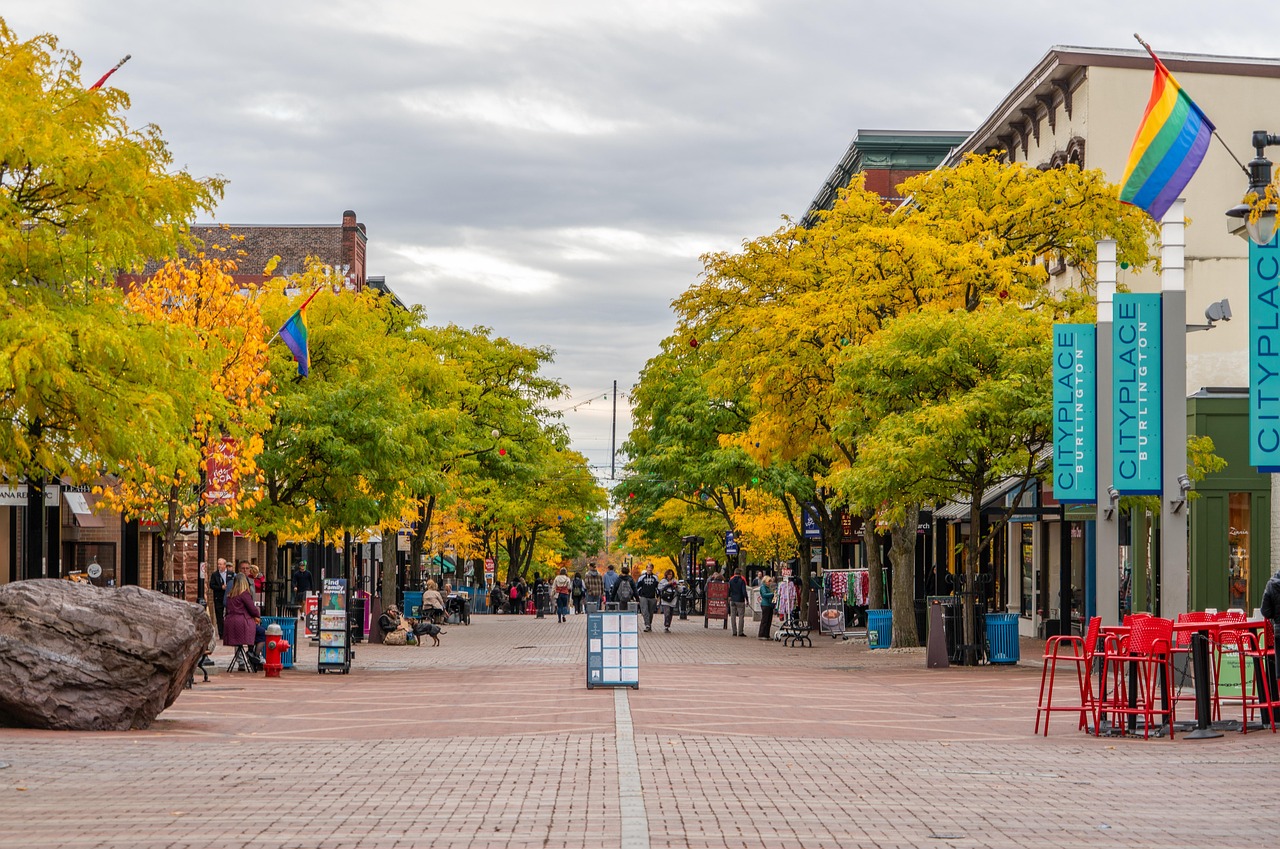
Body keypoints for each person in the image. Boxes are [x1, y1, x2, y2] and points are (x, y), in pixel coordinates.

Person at [223, 574, 264, 669]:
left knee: (255, 631)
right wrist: (257, 616)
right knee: (261, 632)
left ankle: (250, 652)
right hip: (242, 623)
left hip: (230, 624)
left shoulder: (230, 595)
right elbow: (252, 609)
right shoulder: (244, 594)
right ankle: (254, 655)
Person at [208, 558, 231, 637]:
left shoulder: (230, 574)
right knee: (219, 615)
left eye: (221, 564)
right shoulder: (215, 575)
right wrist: (221, 587)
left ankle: (229, 632)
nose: (219, 566)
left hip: (229, 597)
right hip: (218, 597)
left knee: (229, 614)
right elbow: (211, 585)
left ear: (225, 565)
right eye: (218, 564)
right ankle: (221, 633)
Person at [635, 563, 660, 632]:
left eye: (651, 568)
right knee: (645, 611)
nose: (649, 569)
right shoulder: (642, 577)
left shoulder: (655, 578)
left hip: (652, 597)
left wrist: (657, 596)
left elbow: (658, 588)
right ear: (646, 569)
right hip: (643, 596)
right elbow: (638, 587)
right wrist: (638, 596)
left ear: (652, 568)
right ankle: (647, 625)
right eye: (648, 567)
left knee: (650, 612)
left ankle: (649, 624)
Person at [728, 567, 749, 637]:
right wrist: (747, 599)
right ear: (740, 573)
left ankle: (734, 631)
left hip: (733, 600)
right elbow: (744, 591)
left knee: (733, 616)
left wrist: (729, 597)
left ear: (734, 573)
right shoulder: (742, 581)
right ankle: (740, 632)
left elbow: (729, 590)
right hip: (740, 600)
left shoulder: (731, 581)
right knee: (741, 616)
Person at [757, 575, 776, 640]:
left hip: (769, 604)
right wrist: (772, 594)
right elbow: (764, 595)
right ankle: (762, 634)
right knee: (765, 620)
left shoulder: (768, 588)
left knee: (769, 620)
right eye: (769, 581)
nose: (770, 583)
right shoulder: (763, 587)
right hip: (765, 604)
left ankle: (766, 634)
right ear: (765, 581)